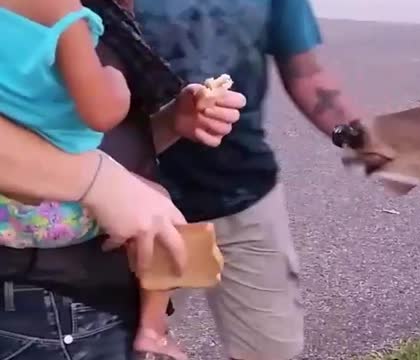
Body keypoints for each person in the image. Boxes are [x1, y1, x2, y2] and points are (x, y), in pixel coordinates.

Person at [0, 1, 246, 359]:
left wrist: (172, 121)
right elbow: (102, 115)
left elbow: (81, 142)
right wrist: (116, 82)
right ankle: (153, 327)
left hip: (41, 236)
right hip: (53, 287)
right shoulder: (62, 11)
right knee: (159, 209)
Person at [135, 1, 358, 359]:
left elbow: (304, 71)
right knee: (130, 347)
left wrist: (363, 140)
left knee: (273, 351)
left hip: (247, 195)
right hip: (139, 206)